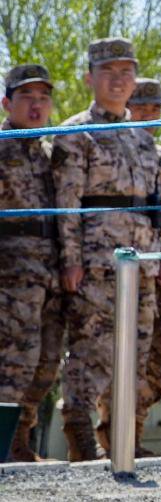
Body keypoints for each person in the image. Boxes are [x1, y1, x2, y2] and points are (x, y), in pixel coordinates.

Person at [50, 37, 161, 462]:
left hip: (141, 264)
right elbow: (66, 203)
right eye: (109, 72)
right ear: (89, 78)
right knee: (91, 351)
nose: (119, 81)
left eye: (126, 73)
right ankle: (81, 441)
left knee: (136, 354)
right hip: (98, 263)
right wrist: (70, 260)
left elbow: (158, 203)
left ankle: (124, 439)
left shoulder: (142, 139)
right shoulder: (75, 133)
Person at [0, 64, 60, 462]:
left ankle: (20, 440)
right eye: (27, 97)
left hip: (50, 273)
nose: (36, 106)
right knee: (12, 361)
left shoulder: (51, 152)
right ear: (7, 103)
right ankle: (4, 446)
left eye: (43, 98)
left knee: (45, 362)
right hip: (10, 272)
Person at [126, 80, 161, 457]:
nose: (149, 116)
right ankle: (116, 435)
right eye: (141, 108)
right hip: (128, 271)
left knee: (159, 361)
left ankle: (133, 431)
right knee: (123, 354)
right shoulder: (120, 151)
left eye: (154, 109)